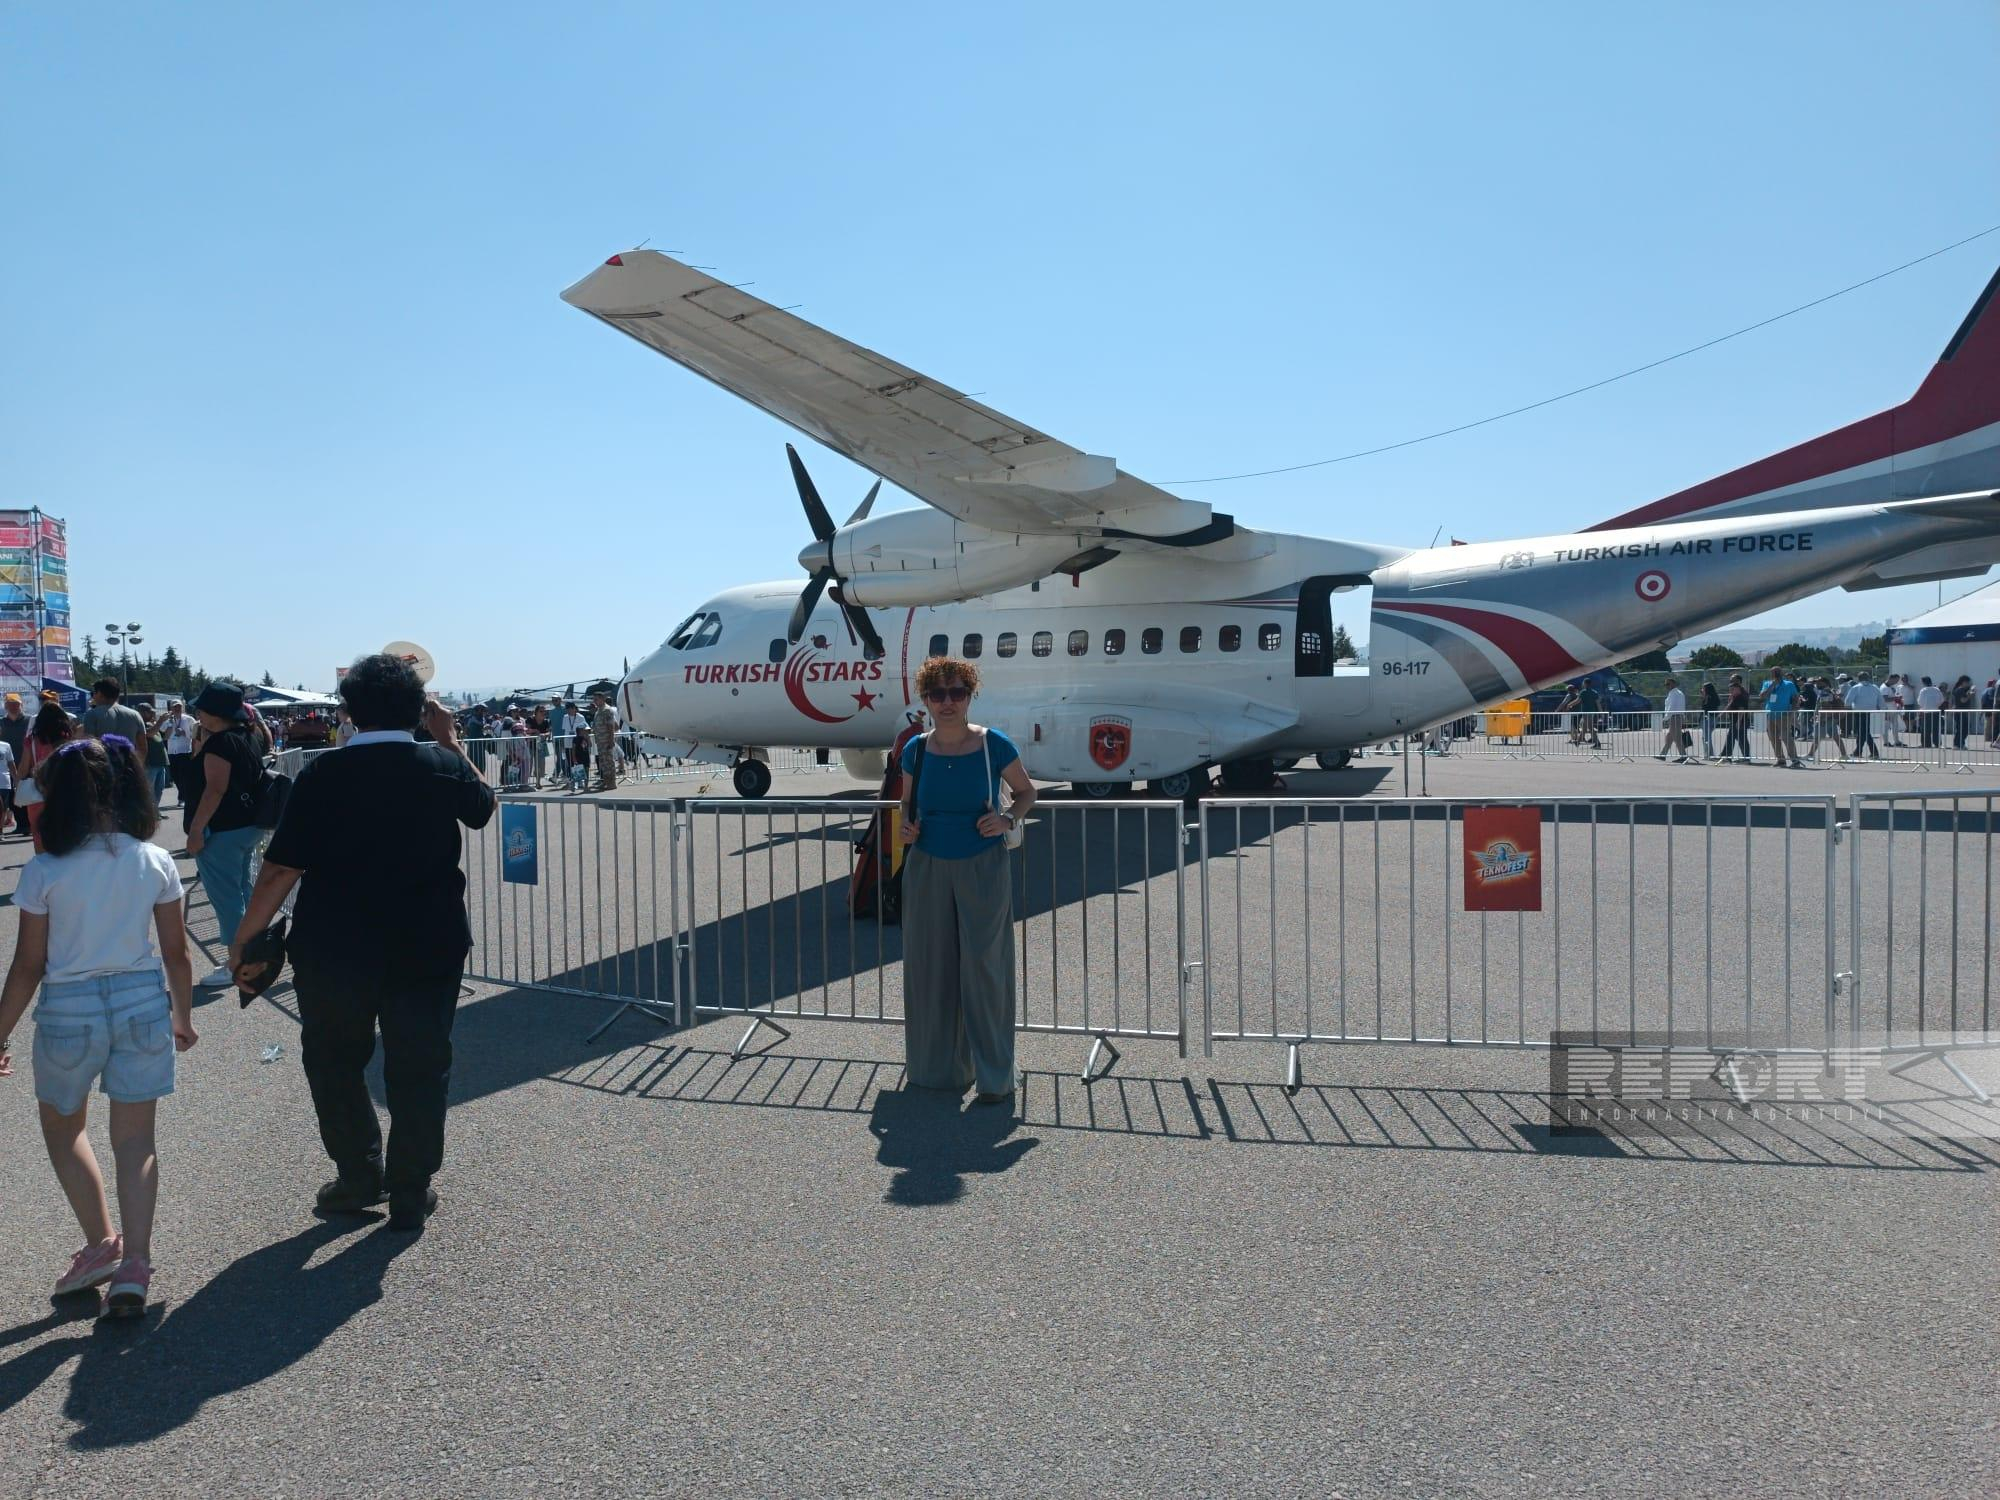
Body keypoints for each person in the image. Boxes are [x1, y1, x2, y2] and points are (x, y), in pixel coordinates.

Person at [231, 654, 495, 1232]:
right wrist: (451, 740)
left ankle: (357, 1174)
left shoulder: (322, 774)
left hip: (335, 945)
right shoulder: (442, 766)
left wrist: (246, 935)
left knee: (333, 1059)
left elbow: (281, 868)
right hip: (428, 941)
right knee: (420, 1062)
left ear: (348, 711)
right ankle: (410, 1187)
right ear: (418, 710)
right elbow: (483, 808)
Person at [0, 735, 197, 1317]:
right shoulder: (154, 860)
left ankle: (99, 1244)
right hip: (142, 1003)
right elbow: (177, 953)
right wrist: (182, 1017)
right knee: (136, 1141)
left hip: (69, 1008)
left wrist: (0, 1032)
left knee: (64, 1130)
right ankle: (135, 1266)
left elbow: (28, 965)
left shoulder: (45, 870)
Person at [896, 655, 1035, 1107]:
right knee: (930, 968)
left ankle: (995, 1076)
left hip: (982, 865)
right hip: (927, 865)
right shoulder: (916, 750)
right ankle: (936, 1071)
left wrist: (1008, 818)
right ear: (925, 699)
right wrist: (906, 827)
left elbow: (1026, 792)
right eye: (937, 693)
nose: (948, 702)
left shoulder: (994, 744)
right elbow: (906, 803)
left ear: (971, 696)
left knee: (986, 969)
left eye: (957, 692)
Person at [185, 681, 267, 989]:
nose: (198, 714)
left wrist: (195, 831)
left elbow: (215, 789)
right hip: (247, 826)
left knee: (228, 900)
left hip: (222, 830)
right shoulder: (248, 736)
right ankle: (250, 955)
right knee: (242, 893)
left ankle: (236, 963)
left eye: (202, 709)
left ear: (215, 713)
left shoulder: (220, 743)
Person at [18, 699, 75, 851]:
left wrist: (18, 784)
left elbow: (24, 767)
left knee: (38, 834)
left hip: (38, 790)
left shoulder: (31, 740)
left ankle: (42, 861)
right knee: (64, 831)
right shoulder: (68, 739)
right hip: (63, 788)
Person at [1757, 666, 1802, 767]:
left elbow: (1795, 698)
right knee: (1773, 738)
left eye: (1777, 672)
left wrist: (1792, 710)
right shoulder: (1767, 684)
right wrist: (1772, 685)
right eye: (1774, 672)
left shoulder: (1789, 684)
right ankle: (1781, 759)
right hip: (1770, 715)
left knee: (1786, 737)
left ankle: (1795, 760)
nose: (1776, 674)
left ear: (1781, 673)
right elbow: (1762, 696)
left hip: (1784, 714)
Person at [80, 677, 146, 744]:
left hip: (103, 751)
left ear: (99, 694)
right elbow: (142, 747)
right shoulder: (135, 714)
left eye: (93, 693)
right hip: (128, 750)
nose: (93, 697)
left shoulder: (92, 714)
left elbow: (90, 744)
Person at [1, 692, 28, 834]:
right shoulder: (2, 722)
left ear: (21, 705)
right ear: (5, 706)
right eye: (10, 704)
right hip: (7, 767)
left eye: (16, 704)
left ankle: (29, 825)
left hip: (27, 763)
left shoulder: (28, 721)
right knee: (12, 798)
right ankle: (22, 825)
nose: (13, 707)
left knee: (28, 794)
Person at [161, 699, 196, 805]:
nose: (177, 709)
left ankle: (182, 798)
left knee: (183, 776)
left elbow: (195, 734)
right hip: (172, 751)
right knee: (175, 775)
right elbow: (164, 735)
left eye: (179, 706)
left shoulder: (189, 719)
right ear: (171, 708)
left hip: (185, 751)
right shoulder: (167, 720)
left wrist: (184, 733)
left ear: (182, 707)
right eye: (175, 707)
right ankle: (184, 795)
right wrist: (170, 725)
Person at [139, 704, 174, 805]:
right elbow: (149, 733)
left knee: (159, 788)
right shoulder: (141, 724)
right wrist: (161, 721)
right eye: (150, 712)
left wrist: (170, 723)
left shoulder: (152, 724)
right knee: (149, 790)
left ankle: (155, 810)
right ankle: (149, 811)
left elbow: (166, 737)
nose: (153, 714)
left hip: (160, 763)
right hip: (150, 763)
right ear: (143, 713)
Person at [1843, 671, 1883, 759]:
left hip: (1859, 713)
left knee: (1863, 732)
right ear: (1868, 678)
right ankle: (1859, 751)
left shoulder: (1856, 688)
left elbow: (1848, 701)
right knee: (1864, 732)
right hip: (1872, 713)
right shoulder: (1875, 687)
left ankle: (1869, 751)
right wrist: (1884, 711)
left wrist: (1848, 710)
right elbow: (1881, 701)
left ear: (1858, 678)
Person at [591, 685, 619, 791]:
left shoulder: (607, 710)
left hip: (606, 740)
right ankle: (606, 781)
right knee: (603, 763)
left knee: (609, 763)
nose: (594, 701)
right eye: (594, 699)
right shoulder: (599, 710)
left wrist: (611, 740)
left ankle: (612, 783)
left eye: (596, 699)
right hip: (600, 741)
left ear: (602, 699)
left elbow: (612, 726)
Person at [1656, 677, 1688, 762]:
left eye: (1668, 684)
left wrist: (1665, 718)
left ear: (1673, 684)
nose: (1666, 686)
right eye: (1665, 684)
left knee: (1677, 738)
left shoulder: (1674, 693)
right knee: (1669, 737)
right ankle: (1663, 754)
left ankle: (1683, 756)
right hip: (1676, 716)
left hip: (1674, 717)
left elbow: (1671, 707)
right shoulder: (1677, 693)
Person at [1915, 676, 1944, 749]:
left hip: (1926, 712)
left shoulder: (1923, 690)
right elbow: (1941, 700)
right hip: (1936, 711)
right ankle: (1937, 743)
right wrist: (1936, 705)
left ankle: (1926, 743)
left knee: (1925, 729)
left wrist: (1924, 706)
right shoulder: (1936, 689)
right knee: (1936, 728)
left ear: (1924, 682)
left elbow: (1919, 702)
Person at [1698, 679, 1720, 761]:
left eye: (1703, 688)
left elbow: (1706, 707)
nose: (1702, 690)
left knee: (1706, 737)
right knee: (1706, 737)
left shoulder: (1709, 697)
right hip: (1712, 718)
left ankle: (1709, 755)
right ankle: (1708, 754)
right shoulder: (1714, 697)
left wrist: (1704, 697)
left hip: (1708, 718)